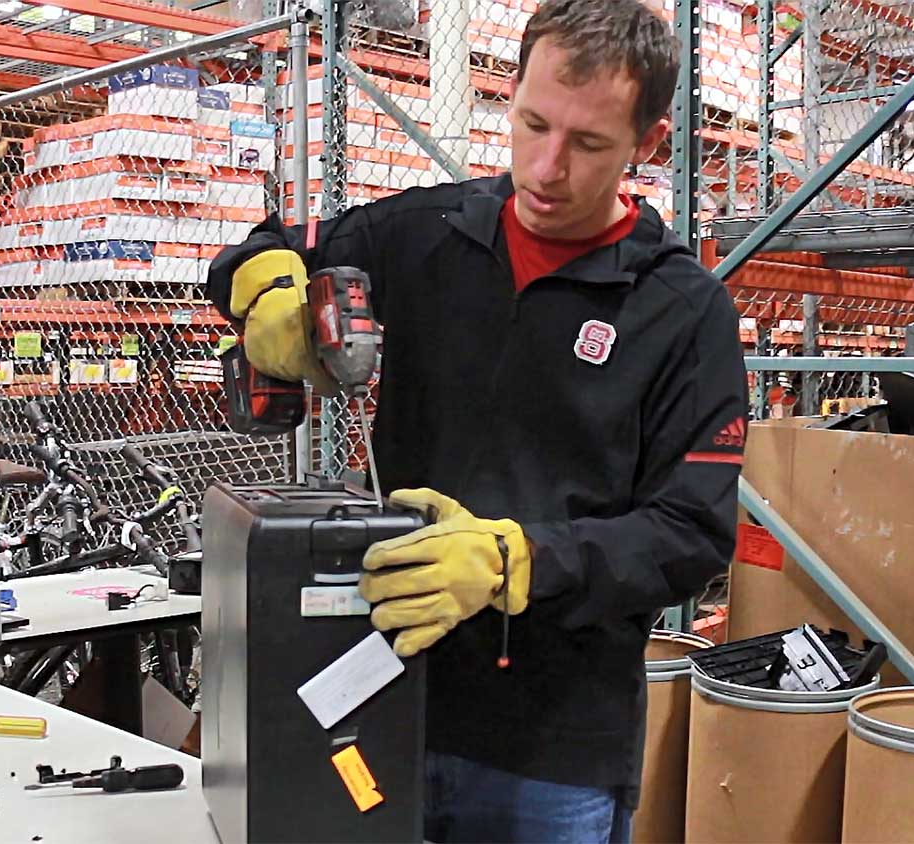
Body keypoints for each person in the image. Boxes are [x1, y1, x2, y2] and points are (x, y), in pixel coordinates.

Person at [207, 0, 748, 840]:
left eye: (588, 144)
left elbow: (690, 534)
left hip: (552, 747)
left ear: (648, 146)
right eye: (531, 124)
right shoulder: (424, 236)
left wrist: (513, 560)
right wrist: (272, 294)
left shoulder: (684, 314)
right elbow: (265, 244)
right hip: (382, 696)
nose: (545, 167)